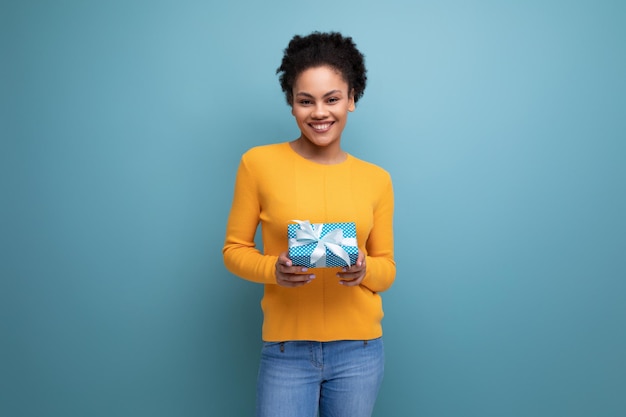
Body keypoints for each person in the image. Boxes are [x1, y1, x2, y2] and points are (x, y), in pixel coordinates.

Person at [222, 31, 395, 417]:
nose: (320, 112)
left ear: (351, 99)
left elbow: (387, 269)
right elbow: (233, 250)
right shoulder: (258, 164)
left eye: (332, 98)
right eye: (306, 101)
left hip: (360, 350)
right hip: (287, 351)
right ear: (292, 104)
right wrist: (274, 269)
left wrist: (366, 269)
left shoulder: (376, 179)